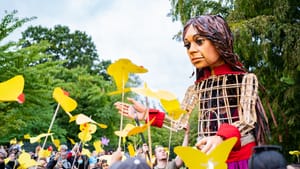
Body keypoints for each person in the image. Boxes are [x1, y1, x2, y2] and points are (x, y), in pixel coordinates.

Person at [114, 14, 270, 169]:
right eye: (187, 45)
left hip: (241, 160)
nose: (192, 50)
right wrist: (148, 115)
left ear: (219, 40)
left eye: (199, 41)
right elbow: (180, 122)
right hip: (205, 161)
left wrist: (221, 137)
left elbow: (248, 121)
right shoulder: (196, 88)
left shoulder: (246, 79)